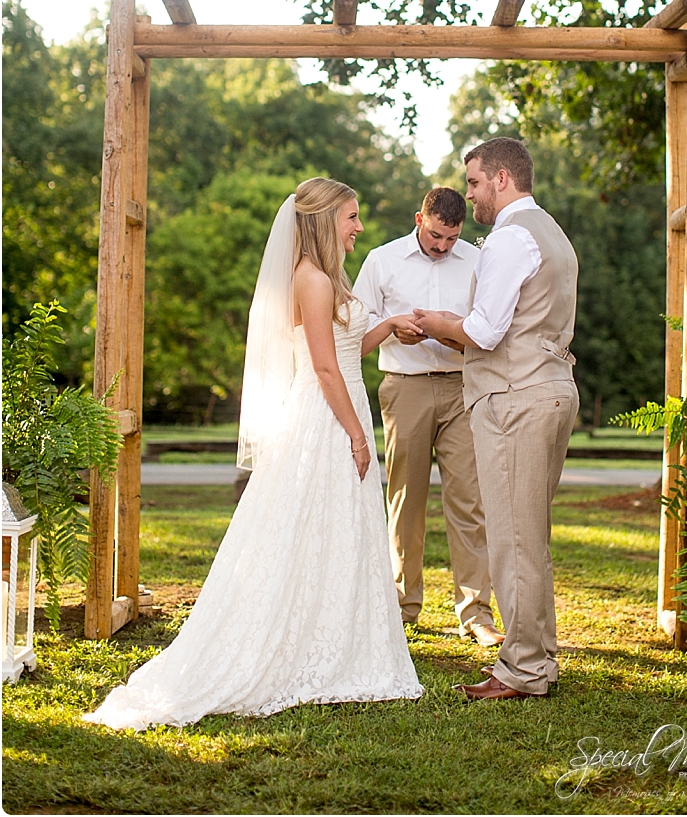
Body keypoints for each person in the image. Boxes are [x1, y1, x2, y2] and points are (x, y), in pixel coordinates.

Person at [84, 178, 423, 730]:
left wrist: (384, 327)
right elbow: (322, 367)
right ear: (321, 220)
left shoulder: (329, 278)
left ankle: (337, 641)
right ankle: (293, 647)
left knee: (336, 531)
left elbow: (343, 348)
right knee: (302, 530)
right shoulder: (310, 280)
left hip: (339, 406)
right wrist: (358, 436)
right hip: (325, 417)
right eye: (352, 217)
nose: (359, 226)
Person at [413, 139, 579, 701]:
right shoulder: (553, 233)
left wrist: (440, 323)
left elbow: (485, 331)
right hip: (550, 389)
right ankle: (538, 659)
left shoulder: (511, 237)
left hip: (516, 398)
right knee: (528, 536)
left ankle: (524, 669)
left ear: (502, 178)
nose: (471, 194)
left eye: (476, 182)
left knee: (513, 539)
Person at [353, 187, 503, 647]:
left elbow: (490, 328)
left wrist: (452, 333)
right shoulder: (381, 260)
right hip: (406, 387)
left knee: (469, 501)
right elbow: (357, 329)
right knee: (405, 499)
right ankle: (402, 606)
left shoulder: (478, 262)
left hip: (463, 388)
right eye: (436, 235)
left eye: (452, 238)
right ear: (419, 218)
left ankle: (476, 614)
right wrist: (395, 329)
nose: (442, 246)